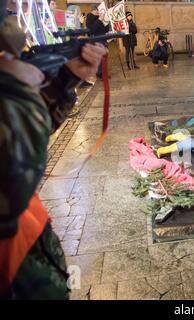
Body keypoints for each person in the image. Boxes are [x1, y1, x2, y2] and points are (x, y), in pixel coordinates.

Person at [0, 2, 107, 299]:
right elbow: (16, 174)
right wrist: (20, 89)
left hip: (30, 259)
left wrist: (63, 81)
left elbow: (27, 137)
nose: (13, 9)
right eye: (8, 11)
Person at [86, 4, 109, 78]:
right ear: (93, 10)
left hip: (103, 40)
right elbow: (91, 30)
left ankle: (102, 73)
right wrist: (99, 20)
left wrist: (108, 23)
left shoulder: (99, 18)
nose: (98, 11)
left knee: (104, 58)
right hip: (97, 41)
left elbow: (105, 30)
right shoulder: (89, 18)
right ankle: (100, 73)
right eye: (97, 10)